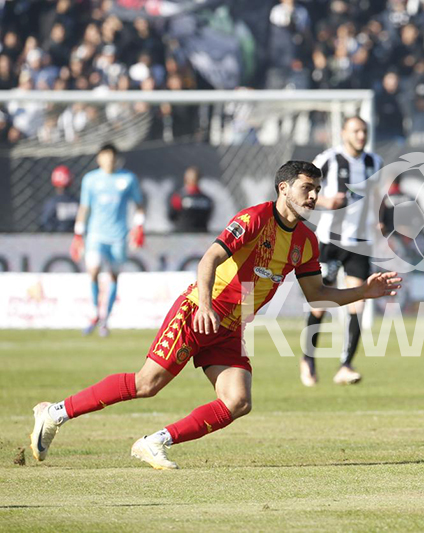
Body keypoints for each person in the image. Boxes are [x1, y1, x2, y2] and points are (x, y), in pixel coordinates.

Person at [30, 161, 402, 470]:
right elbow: (210, 258)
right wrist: (206, 304)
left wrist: (364, 291)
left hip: (231, 326)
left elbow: (317, 294)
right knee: (148, 384)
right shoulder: (255, 219)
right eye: (307, 187)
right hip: (199, 311)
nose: (314, 195)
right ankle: (56, 412)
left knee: (238, 401)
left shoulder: (305, 241)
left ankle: (155, 442)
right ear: (283, 187)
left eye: (317, 189)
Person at [302, 117, 384, 387]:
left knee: (358, 303)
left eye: (364, 131)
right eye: (356, 131)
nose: (361, 135)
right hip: (330, 242)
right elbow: (304, 191)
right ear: (343, 133)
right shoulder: (328, 159)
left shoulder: (375, 162)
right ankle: (308, 359)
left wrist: (382, 217)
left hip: (360, 243)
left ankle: (345, 366)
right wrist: (326, 201)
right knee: (320, 302)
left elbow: (378, 197)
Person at [71, 144, 145, 337]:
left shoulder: (127, 179)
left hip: (119, 236)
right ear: (99, 158)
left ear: (117, 158)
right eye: (105, 156)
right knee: (93, 270)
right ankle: (95, 312)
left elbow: (139, 205)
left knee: (113, 276)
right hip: (96, 234)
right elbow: (84, 207)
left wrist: (139, 226)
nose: (109, 160)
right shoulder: (90, 180)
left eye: (112, 156)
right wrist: (78, 233)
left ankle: (105, 319)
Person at [168, 166, 214, 233]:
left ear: (186, 179)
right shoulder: (206, 199)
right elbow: (209, 216)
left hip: (182, 234)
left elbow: (172, 216)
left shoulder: (179, 197)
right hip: (201, 235)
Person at [40, 165, 79, 232]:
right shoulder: (77, 202)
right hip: (74, 237)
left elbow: (45, 222)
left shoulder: (52, 202)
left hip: (56, 238)